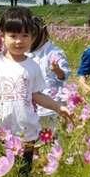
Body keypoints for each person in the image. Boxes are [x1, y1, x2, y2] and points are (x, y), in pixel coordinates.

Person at [0, 6, 71, 177]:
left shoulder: (32, 66)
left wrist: (57, 107)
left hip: (25, 130)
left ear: (33, 37)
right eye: (13, 36)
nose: (19, 41)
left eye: (25, 36)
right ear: (2, 36)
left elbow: (37, 95)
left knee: (23, 173)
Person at [27, 16, 70, 145]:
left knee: (56, 140)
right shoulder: (27, 54)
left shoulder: (55, 52)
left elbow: (64, 75)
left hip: (53, 104)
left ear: (44, 34)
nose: (31, 41)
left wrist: (57, 70)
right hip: (34, 106)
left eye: (34, 37)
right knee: (36, 141)